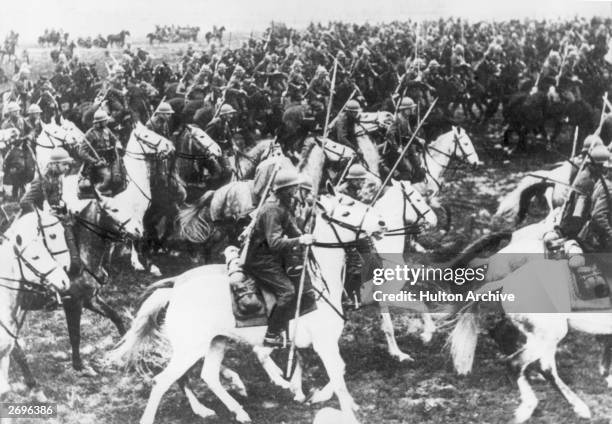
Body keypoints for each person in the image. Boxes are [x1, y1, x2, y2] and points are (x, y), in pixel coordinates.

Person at [243, 168, 315, 347]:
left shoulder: (284, 205)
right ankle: (272, 334)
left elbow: (292, 228)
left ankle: (287, 324)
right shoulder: (272, 210)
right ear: (285, 189)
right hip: (261, 261)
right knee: (287, 291)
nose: (296, 191)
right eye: (294, 188)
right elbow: (274, 243)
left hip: (273, 257)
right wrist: (299, 240)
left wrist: (308, 238)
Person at [20, 148, 81, 275]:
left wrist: (62, 207)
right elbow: (25, 201)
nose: (67, 168)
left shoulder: (58, 178)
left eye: (68, 165)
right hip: (42, 221)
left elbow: (57, 199)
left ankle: (74, 264)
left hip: (56, 216)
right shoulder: (41, 181)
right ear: (54, 164)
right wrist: (41, 216)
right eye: (64, 164)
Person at [78, 109, 122, 196]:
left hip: (110, 159)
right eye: (105, 121)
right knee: (107, 177)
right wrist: (95, 161)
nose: (107, 122)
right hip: (96, 163)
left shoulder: (107, 130)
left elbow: (114, 140)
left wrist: (118, 143)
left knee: (118, 177)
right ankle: (98, 193)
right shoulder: (90, 134)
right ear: (99, 122)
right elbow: (82, 152)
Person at [384, 97, 426, 182]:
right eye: (410, 109)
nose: (412, 110)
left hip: (406, 148)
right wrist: (397, 148)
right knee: (407, 169)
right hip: (395, 151)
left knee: (417, 163)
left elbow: (408, 133)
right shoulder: (397, 119)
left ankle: (417, 182)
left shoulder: (406, 119)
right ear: (405, 110)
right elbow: (389, 134)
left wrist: (418, 139)